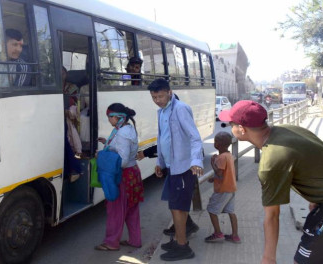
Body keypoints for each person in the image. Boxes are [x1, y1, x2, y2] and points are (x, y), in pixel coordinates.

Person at [218, 100, 323, 264]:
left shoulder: (271, 162)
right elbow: (318, 157)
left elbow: (272, 216)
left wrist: (268, 258)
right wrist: (315, 198)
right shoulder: (288, 129)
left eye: (231, 124)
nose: (230, 128)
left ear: (242, 129)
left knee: (304, 258)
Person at [147, 78, 204, 261]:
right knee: (174, 207)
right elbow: (163, 138)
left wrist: (196, 160)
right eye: (154, 97)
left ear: (169, 92)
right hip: (171, 167)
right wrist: (160, 162)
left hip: (183, 167)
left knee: (178, 207)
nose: (157, 100)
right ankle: (180, 239)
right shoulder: (161, 111)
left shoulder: (180, 108)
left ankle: (183, 247)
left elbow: (195, 137)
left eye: (160, 96)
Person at [94, 103, 144, 251]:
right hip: (132, 173)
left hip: (122, 176)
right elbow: (123, 151)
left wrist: (102, 155)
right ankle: (135, 240)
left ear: (119, 117)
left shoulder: (122, 133)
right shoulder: (126, 129)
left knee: (115, 210)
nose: (109, 120)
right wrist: (108, 143)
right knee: (131, 210)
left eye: (110, 117)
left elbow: (121, 161)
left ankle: (111, 242)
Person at [204, 131, 241, 244]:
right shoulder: (229, 155)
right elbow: (225, 174)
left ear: (218, 144)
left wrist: (212, 163)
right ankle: (235, 236)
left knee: (211, 210)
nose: (214, 143)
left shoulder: (221, 158)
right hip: (231, 188)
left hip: (222, 190)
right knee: (231, 211)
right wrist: (214, 179)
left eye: (215, 141)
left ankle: (218, 233)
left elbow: (219, 173)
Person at [62, 67, 82, 182]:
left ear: (66, 74)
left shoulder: (72, 87)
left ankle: (75, 169)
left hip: (68, 114)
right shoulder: (52, 85)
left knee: (65, 141)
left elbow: (75, 101)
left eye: (63, 72)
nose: (61, 75)